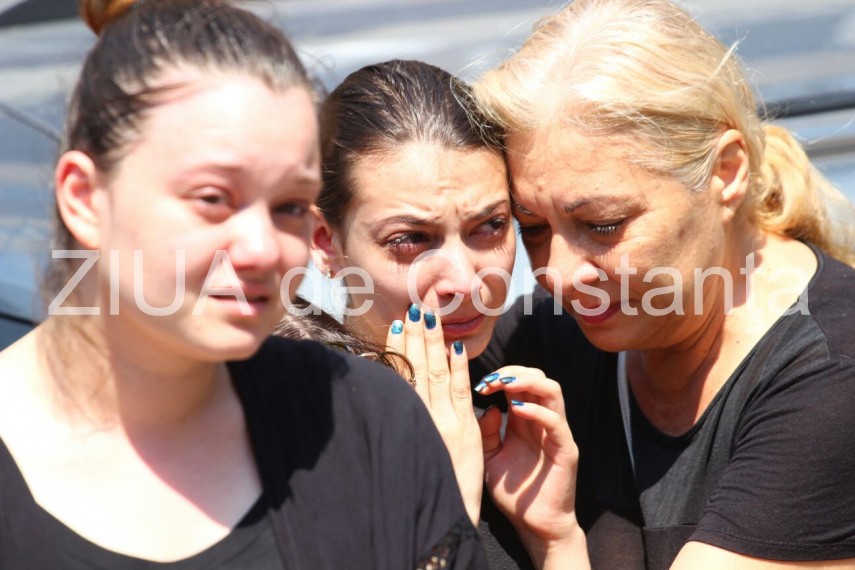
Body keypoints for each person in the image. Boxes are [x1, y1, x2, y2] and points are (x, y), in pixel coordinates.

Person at [0, 1, 488, 568]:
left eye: (289, 206)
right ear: (85, 198)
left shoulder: (368, 423)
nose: (261, 249)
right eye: (213, 198)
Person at [468, 0, 855, 568]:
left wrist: (556, 546)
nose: (560, 275)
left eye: (603, 225)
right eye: (532, 228)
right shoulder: (546, 338)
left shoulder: (832, 377)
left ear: (726, 172)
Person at [307, 59, 574, 569]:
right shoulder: (297, 438)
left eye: (490, 226)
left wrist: (556, 538)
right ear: (325, 241)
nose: (464, 282)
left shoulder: (522, 407)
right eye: (410, 239)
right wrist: (439, 509)